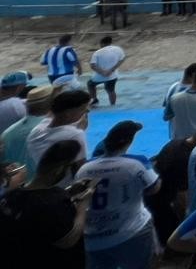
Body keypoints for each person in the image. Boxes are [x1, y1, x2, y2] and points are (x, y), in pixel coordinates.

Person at [77, 120, 160, 269]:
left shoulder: (85, 168)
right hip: (130, 231)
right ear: (128, 142)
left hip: (93, 236)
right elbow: (154, 188)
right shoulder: (136, 163)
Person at [0, 138, 93, 269]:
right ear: (59, 170)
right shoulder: (52, 204)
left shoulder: (9, 197)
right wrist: (83, 204)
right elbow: (68, 239)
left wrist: (68, 192)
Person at [86, 35, 126, 107]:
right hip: (113, 75)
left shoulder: (97, 52)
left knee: (90, 84)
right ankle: (113, 105)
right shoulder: (118, 49)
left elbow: (92, 65)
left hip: (100, 76)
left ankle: (94, 100)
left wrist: (103, 72)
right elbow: (122, 59)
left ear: (102, 43)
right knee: (111, 90)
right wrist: (112, 69)